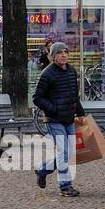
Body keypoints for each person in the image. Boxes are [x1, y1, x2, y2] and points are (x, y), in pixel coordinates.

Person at [32, 43, 87, 197]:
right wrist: (53, 109)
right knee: (63, 152)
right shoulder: (47, 74)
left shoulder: (71, 71)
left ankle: (43, 169)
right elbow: (37, 98)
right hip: (54, 120)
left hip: (69, 118)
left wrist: (80, 112)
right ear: (53, 56)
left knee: (69, 153)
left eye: (65, 52)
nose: (63, 55)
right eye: (59, 53)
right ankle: (65, 185)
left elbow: (74, 96)